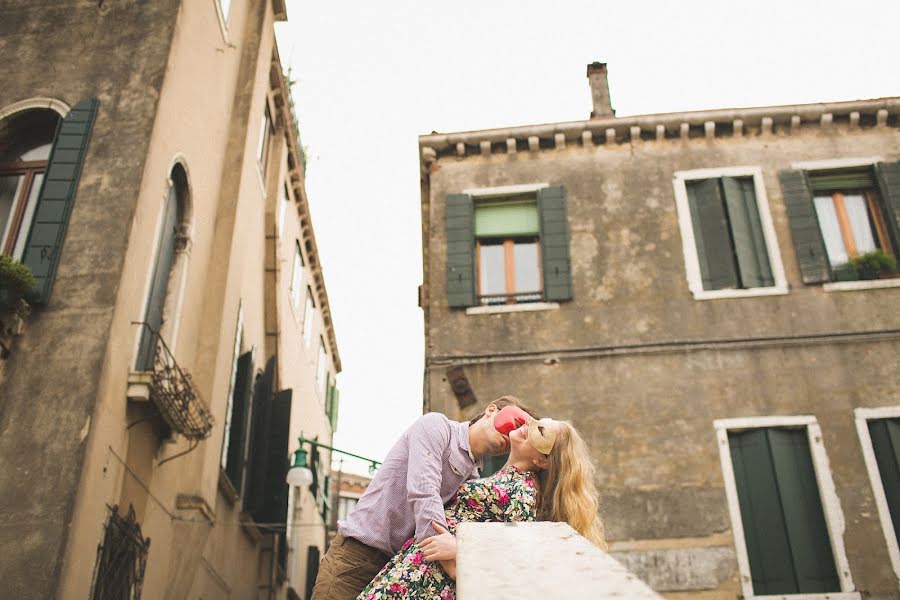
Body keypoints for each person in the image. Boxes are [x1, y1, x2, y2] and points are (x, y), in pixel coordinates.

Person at [310, 397, 535, 600]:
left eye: (520, 432)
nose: (510, 434)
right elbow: (424, 493)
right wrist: (454, 564)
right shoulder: (436, 426)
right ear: (491, 410)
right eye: (513, 423)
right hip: (356, 559)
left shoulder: (474, 481)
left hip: (397, 571)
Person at [356, 418, 605, 600]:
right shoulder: (503, 478)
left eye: (540, 431)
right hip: (420, 570)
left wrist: (461, 550)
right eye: (536, 422)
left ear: (543, 460)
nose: (530, 426)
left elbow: (517, 555)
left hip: (430, 580)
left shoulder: (523, 491)